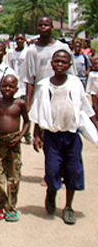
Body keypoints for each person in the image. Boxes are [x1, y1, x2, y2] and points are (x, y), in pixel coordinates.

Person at [30, 50, 98, 225]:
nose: (60, 64)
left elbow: (86, 108)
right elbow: (38, 111)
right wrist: (37, 134)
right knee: (52, 170)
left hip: (71, 135)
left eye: (64, 62)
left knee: (73, 171)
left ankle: (68, 206)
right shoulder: (44, 85)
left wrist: (96, 125)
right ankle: (51, 191)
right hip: (52, 136)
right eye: (57, 61)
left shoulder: (75, 84)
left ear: (69, 65)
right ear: (52, 64)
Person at [0, 75, 30, 221]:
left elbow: (27, 122)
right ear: (0, 87)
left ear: (16, 89)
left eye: (11, 87)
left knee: (13, 177)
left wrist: (20, 137)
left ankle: (11, 207)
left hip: (13, 143)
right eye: (5, 86)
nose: (8, 89)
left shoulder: (20, 104)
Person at [23, 16, 74, 108]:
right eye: (40, 25)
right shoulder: (32, 50)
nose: (43, 27)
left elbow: (72, 76)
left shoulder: (62, 48)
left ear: (52, 27)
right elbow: (30, 80)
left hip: (61, 96)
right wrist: (28, 104)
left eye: (46, 25)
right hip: (41, 97)